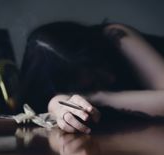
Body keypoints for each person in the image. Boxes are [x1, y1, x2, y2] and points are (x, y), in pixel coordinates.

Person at [20, 21, 164, 133]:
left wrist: (97, 96)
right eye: (96, 83)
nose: (111, 78)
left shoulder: (115, 36)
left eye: (103, 63)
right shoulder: (58, 92)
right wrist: (56, 104)